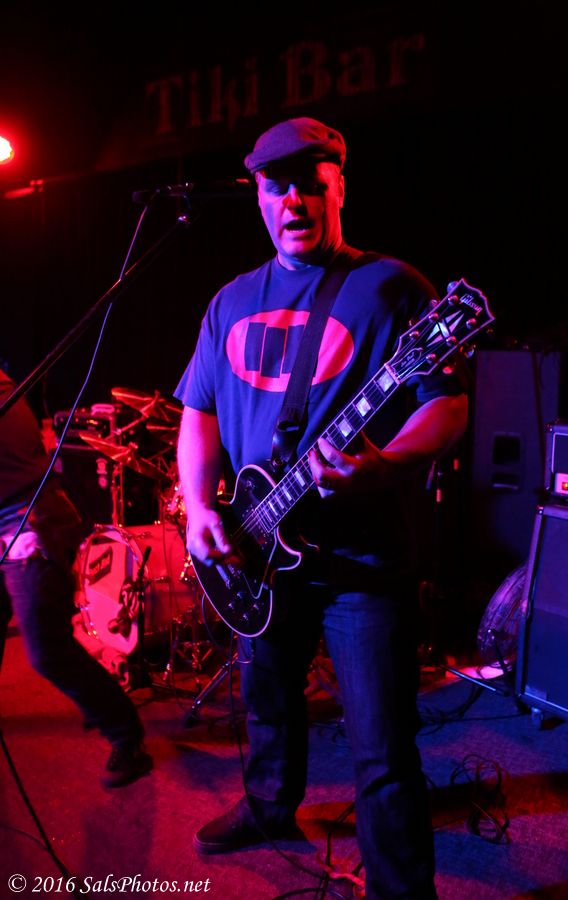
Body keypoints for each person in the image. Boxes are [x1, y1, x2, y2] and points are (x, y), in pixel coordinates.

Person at [175, 117, 468, 898]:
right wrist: (199, 507)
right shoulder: (230, 301)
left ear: (340, 190)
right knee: (267, 703)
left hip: (362, 565)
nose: (293, 201)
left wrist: (384, 465)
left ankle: (400, 888)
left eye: (311, 184)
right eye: (278, 187)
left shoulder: (390, 286)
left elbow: (446, 406)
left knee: (382, 746)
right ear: (259, 198)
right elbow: (198, 412)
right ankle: (270, 807)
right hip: (258, 547)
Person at [0, 367, 152, 788]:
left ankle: (126, 735)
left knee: (47, 651)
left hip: (29, 522)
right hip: (11, 522)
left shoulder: (2, 389)